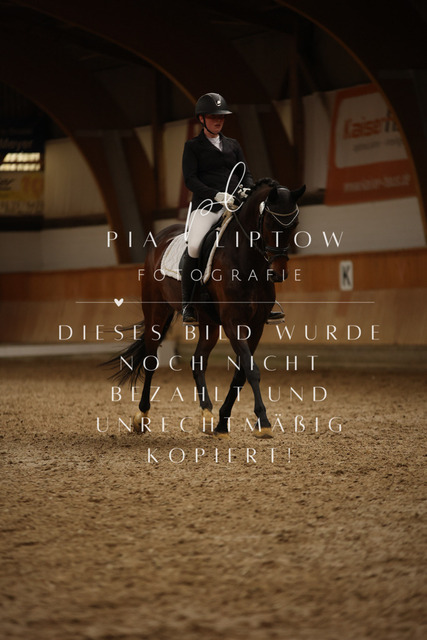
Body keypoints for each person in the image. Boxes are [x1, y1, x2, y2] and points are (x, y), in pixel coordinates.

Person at [181, 92, 285, 324]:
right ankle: (188, 304)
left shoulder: (233, 144)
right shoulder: (193, 147)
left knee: (258, 241)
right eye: (213, 117)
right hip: (207, 206)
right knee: (195, 246)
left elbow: (245, 172)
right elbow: (190, 180)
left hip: (236, 204)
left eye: (221, 117)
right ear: (201, 119)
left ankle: (266, 301)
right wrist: (216, 194)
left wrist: (247, 190)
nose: (218, 121)